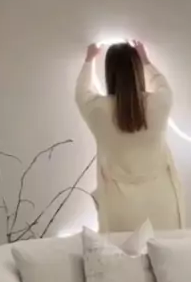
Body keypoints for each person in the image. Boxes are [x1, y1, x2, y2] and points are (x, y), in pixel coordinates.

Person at [75, 40, 185, 232]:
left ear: (109, 73)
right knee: (166, 251)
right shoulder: (160, 102)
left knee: (122, 252)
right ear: (137, 70)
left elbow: (81, 93)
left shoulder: (98, 109)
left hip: (120, 207)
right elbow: (163, 86)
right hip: (162, 202)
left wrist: (89, 60)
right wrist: (146, 61)